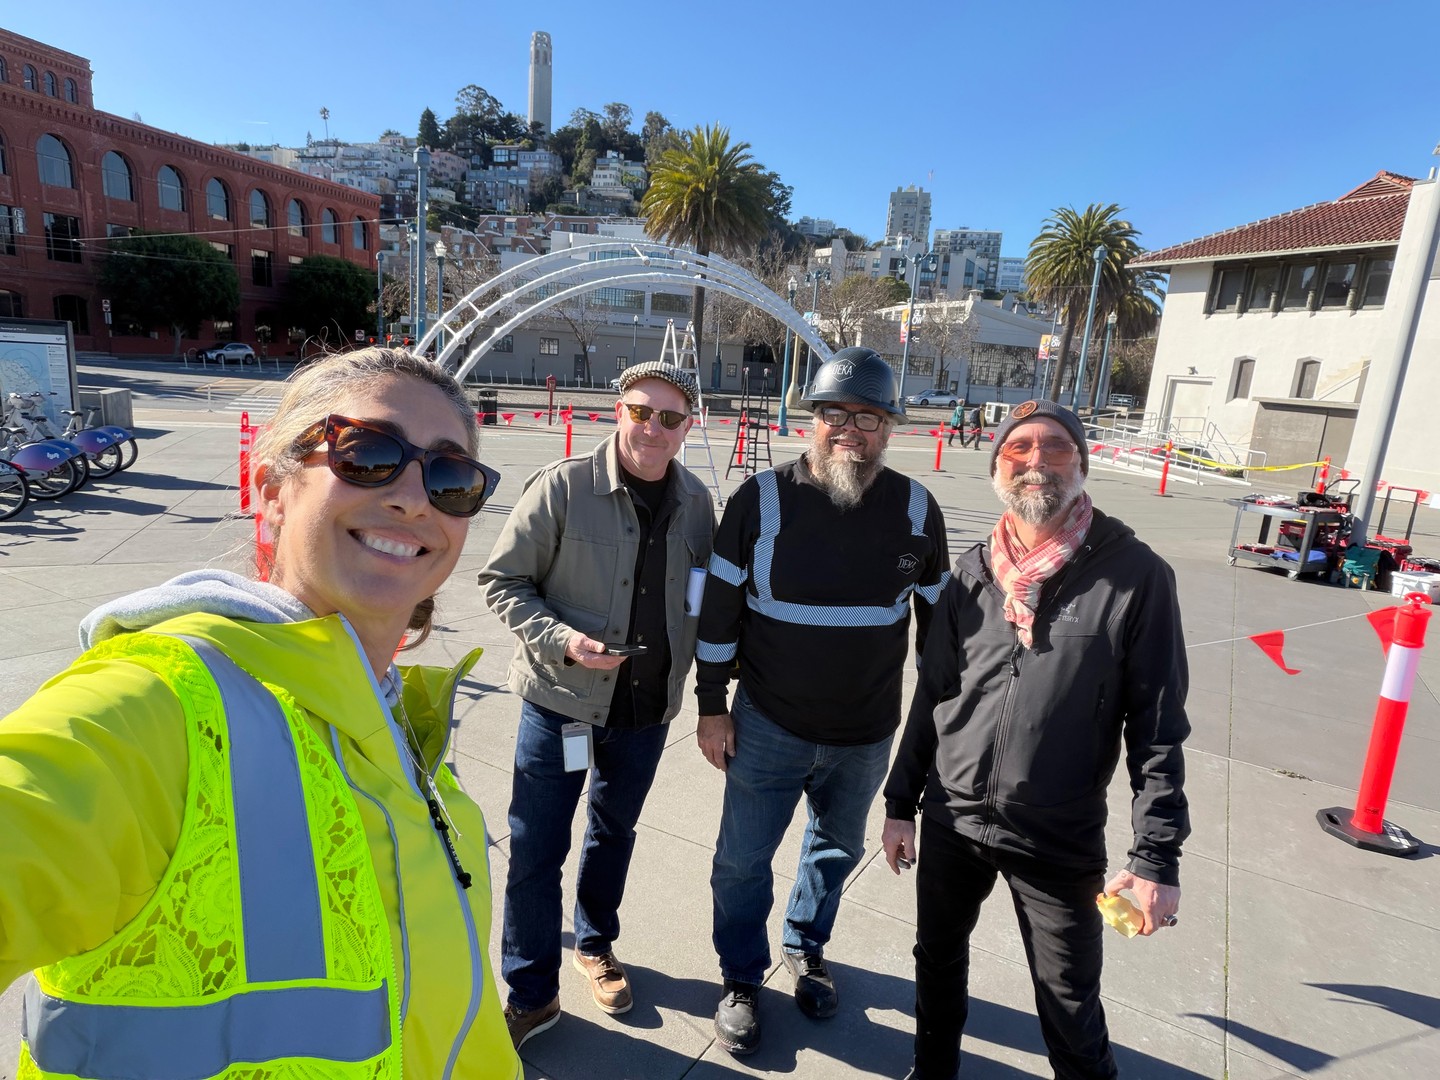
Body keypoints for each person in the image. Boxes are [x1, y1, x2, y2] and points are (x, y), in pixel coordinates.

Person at [0, 348, 519, 1077]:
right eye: (368, 455)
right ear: (271, 490)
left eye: (450, 477)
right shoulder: (158, 706)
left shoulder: (394, 717)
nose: (414, 498)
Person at [882, 398, 1190, 1080]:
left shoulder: (1135, 577)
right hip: (954, 817)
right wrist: (900, 804)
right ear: (997, 465)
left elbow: (1159, 729)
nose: (1035, 461)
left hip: (1057, 833)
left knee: (1069, 1003)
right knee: (936, 962)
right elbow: (934, 695)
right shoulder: (972, 571)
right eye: (1018, 448)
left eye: (1055, 446)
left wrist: (1155, 857)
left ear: (1081, 463)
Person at [695, 346, 951, 1056]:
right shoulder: (760, 499)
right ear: (812, 418)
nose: (850, 430)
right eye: (835, 413)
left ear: (888, 428)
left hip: (865, 734)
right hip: (767, 724)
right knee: (742, 860)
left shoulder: (916, 509)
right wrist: (711, 707)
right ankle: (740, 977)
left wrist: (939, 734)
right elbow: (719, 615)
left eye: (868, 417)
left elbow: (939, 635)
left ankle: (806, 948)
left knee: (835, 850)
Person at [478, 360, 715, 1048]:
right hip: (563, 706)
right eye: (641, 411)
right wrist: (565, 642)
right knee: (536, 847)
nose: (653, 428)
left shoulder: (697, 502)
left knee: (614, 834)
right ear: (619, 411)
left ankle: (594, 944)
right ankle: (531, 993)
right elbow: (503, 581)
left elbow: (702, 598)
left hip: (645, 712)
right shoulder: (563, 487)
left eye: (669, 418)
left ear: (687, 427)